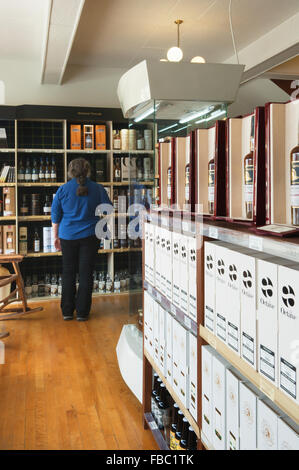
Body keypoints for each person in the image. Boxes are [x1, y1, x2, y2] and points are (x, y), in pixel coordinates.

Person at [51, 158, 112, 321]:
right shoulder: (98, 189)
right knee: (86, 273)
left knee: (68, 272)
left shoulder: (62, 190)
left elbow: (55, 216)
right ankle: (83, 312)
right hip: (90, 236)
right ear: (88, 171)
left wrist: (55, 237)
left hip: (67, 236)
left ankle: (67, 311)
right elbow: (109, 209)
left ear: (70, 171)